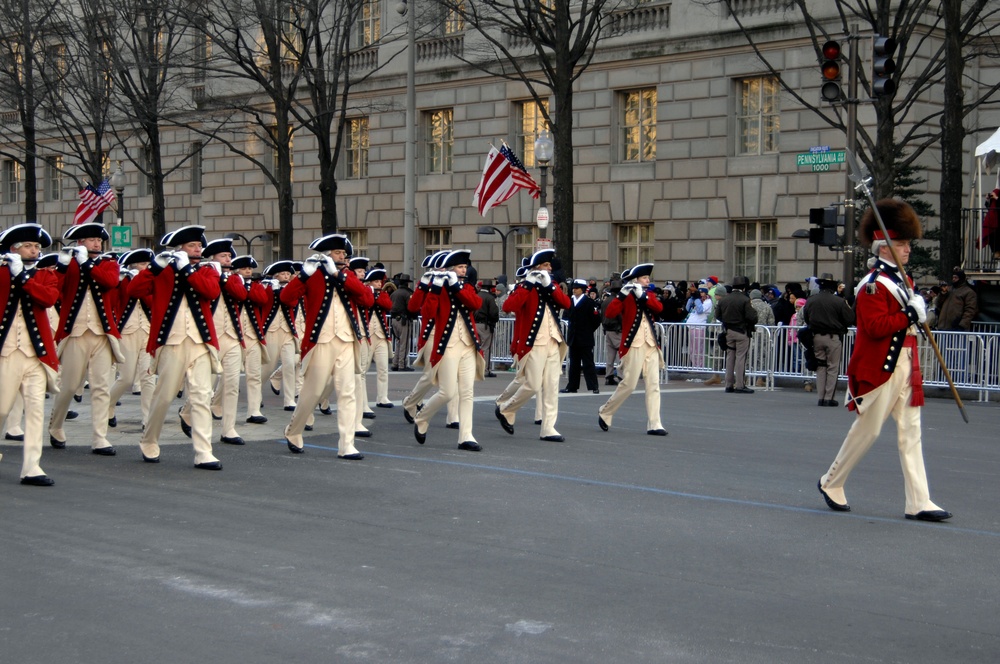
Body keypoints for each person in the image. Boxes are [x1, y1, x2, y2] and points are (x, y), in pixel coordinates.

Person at [818, 199, 951, 522]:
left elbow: (906, 323)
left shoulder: (903, 282)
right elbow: (874, 328)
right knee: (869, 430)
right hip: (882, 365)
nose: (907, 250)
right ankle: (831, 480)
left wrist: (918, 315)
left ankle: (919, 500)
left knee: (911, 431)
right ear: (884, 247)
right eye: (902, 244)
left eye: (907, 244)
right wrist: (908, 313)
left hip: (906, 360)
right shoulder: (874, 286)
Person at [129, 225, 224, 469]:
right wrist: (154, 267)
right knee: (164, 396)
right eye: (192, 246)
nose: (198, 249)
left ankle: (204, 452)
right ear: (180, 248)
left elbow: (211, 292)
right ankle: (149, 439)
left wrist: (187, 270)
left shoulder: (208, 271)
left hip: (200, 342)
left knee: (202, 397)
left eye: (199, 245)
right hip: (171, 342)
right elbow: (134, 290)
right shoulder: (162, 271)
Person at [280, 234, 373, 459]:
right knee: (313, 392)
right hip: (320, 340)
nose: (343, 256)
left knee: (347, 392)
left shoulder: (346, 275)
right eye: (339, 253)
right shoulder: (312, 275)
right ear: (327, 254)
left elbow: (367, 300)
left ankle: (347, 445)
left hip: (347, 340)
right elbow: (286, 297)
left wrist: (338, 275)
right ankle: (294, 431)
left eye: (344, 253)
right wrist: (303, 275)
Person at [48, 222, 123, 456]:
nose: (97, 243)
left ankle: (100, 437)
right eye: (92, 240)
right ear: (80, 243)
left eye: (99, 241)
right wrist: (63, 265)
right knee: (69, 385)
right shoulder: (68, 265)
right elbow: (54, 290)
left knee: (101, 387)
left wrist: (87, 264)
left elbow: (109, 283)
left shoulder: (108, 264)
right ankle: (56, 424)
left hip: (102, 334)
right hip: (75, 333)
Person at [0, 224, 61, 485]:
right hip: (7, 352)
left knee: (35, 411)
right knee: (1, 409)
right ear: (14, 249)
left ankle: (32, 467)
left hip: (37, 355)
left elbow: (47, 298)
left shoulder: (45, 275)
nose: (35, 250)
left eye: (37, 247)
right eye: (29, 246)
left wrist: (22, 277)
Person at [495, 249, 572, 442]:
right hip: (534, 343)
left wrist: (550, 287)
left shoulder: (551, 286)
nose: (549, 268)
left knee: (552, 386)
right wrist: (529, 283)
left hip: (554, 341)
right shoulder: (525, 287)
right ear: (537, 267)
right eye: (546, 265)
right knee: (532, 384)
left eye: (549, 266)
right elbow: (508, 306)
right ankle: (506, 408)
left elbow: (567, 304)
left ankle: (548, 428)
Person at [412, 249, 485, 451]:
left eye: (464, 267)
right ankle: (422, 417)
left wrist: (456, 286)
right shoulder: (439, 288)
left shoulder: (466, 287)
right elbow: (426, 312)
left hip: (468, 345)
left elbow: (475, 304)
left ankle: (466, 436)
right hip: (448, 345)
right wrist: (435, 287)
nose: (464, 270)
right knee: (447, 391)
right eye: (460, 267)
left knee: (467, 391)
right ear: (451, 269)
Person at [597, 263, 666, 435]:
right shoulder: (626, 296)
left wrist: (643, 296)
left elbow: (659, 308)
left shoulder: (648, 294)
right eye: (644, 278)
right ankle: (606, 411)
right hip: (633, 344)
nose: (647, 280)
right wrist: (622, 294)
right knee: (629, 384)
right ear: (635, 279)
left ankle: (654, 423)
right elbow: (610, 313)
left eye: (647, 277)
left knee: (653, 385)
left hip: (650, 343)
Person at [195, 238, 250, 446]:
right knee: (204, 383)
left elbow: (242, 295)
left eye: (229, 256)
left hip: (232, 336)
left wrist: (225, 278)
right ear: (212, 258)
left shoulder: (234, 278)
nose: (228, 259)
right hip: (210, 336)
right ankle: (190, 412)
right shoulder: (204, 274)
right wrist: (215, 274)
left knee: (232, 384)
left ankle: (229, 428)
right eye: (223, 256)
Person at [108, 249, 155, 429]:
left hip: (148, 332)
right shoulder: (124, 280)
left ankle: (147, 419)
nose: (146, 268)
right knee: (126, 378)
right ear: (133, 265)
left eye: (147, 265)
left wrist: (141, 281)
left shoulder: (149, 281)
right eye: (143, 265)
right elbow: (113, 302)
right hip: (127, 332)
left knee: (148, 378)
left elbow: (151, 302)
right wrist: (118, 281)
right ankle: (108, 405)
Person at [803, 273, 856, 407]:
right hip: (833, 337)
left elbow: (806, 318)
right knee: (833, 367)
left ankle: (820, 397)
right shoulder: (838, 301)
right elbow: (850, 318)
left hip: (816, 336)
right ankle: (828, 397)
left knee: (820, 367)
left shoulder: (811, 300)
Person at [231, 255, 270, 425]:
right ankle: (216, 405)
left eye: (249, 268)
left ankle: (254, 411)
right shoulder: (231, 282)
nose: (248, 271)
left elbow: (262, 300)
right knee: (230, 377)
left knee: (254, 375)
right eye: (244, 268)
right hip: (234, 337)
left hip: (253, 336)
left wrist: (249, 286)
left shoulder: (256, 285)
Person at [259, 260, 301, 411]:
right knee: (268, 366)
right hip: (271, 331)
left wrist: (279, 291)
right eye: (282, 274)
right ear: (276, 276)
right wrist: (268, 288)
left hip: (287, 332)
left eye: (288, 274)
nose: (286, 276)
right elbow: (262, 301)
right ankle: (256, 393)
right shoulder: (267, 287)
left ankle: (289, 400)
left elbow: (291, 302)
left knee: (289, 364)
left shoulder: (291, 289)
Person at [717, 275, 758, 394]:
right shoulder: (745, 299)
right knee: (740, 358)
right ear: (743, 287)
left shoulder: (724, 299)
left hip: (728, 331)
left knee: (730, 357)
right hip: (741, 331)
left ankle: (728, 385)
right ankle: (740, 385)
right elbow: (752, 317)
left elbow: (718, 315)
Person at [561, 278, 601, 394]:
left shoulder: (589, 302)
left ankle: (594, 386)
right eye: (573, 288)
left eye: (577, 288)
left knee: (588, 363)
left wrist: (588, 330)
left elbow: (596, 320)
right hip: (573, 338)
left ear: (583, 290)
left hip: (585, 338)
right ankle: (572, 386)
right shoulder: (570, 301)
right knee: (574, 363)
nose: (574, 290)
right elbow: (566, 316)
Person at [363, 266, 394, 409]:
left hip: (381, 334)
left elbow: (387, 305)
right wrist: (370, 294)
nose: (379, 284)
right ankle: (362, 399)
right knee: (364, 368)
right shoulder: (364, 292)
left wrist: (377, 294)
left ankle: (382, 397)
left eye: (379, 281)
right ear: (369, 282)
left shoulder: (382, 294)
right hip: (367, 334)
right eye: (375, 282)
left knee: (383, 368)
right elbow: (366, 304)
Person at [474, 278, 500, 377]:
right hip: (485, 325)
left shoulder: (477, 295)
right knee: (486, 347)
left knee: (476, 347)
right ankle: (485, 369)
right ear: (489, 288)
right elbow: (494, 313)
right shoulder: (489, 298)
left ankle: (476, 368)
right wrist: (494, 321)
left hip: (475, 323)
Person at [600, 279, 623, 384]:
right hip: (617, 330)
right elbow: (620, 316)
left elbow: (602, 316)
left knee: (610, 356)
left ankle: (608, 376)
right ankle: (621, 376)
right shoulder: (617, 301)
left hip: (608, 330)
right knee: (622, 355)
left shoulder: (606, 301)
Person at [389, 273, 414, 371]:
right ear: (407, 283)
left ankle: (395, 363)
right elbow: (411, 307)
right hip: (403, 320)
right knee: (404, 343)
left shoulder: (394, 293)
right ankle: (402, 364)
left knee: (399, 342)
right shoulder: (407, 293)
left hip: (394, 320)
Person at [685, 283, 712, 369]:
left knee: (698, 349)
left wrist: (696, 299)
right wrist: (692, 298)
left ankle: (699, 367)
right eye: (699, 292)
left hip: (699, 327)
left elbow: (700, 310)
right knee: (692, 349)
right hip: (692, 326)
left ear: (705, 293)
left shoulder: (708, 301)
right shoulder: (698, 300)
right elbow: (687, 308)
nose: (700, 294)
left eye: (702, 292)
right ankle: (694, 365)